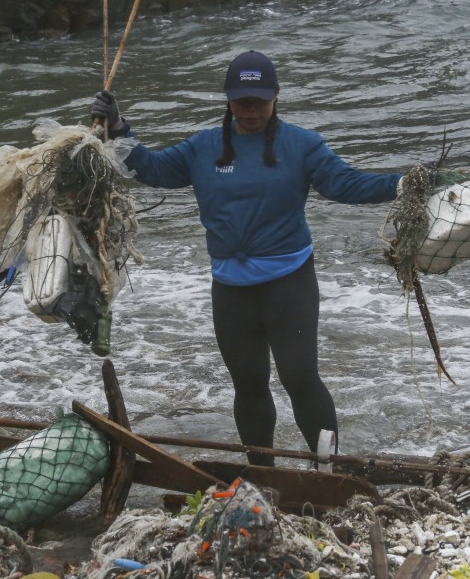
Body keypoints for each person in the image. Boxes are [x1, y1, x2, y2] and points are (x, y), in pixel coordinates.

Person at [90, 50, 402, 466]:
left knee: (300, 380)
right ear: (228, 100)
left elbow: (347, 184)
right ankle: (263, 474)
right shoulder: (203, 148)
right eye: (242, 101)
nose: (251, 110)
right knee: (249, 385)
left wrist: (403, 184)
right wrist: (117, 127)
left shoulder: (303, 145)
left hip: (289, 284)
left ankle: (331, 468)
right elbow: (151, 169)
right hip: (232, 291)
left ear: (276, 96)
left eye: (259, 100)